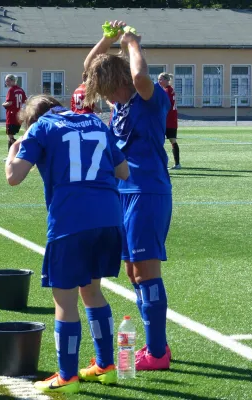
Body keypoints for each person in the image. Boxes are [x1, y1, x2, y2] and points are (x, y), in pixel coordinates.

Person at [6, 95, 129, 394]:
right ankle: (106, 365)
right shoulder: (94, 121)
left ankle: (67, 376)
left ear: (31, 120)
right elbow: (123, 171)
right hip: (110, 218)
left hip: (71, 221)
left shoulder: (41, 128)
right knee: (93, 291)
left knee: (65, 300)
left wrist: (13, 151)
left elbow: (14, 177)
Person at [83, 20, 172, 371]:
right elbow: (89, 67)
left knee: (147, 272)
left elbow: (138, 77)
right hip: (122, 192)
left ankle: (157, 353)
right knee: (133, 272)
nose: (103, 96)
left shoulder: (149, 98)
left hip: (147, 191)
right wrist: (106, 39)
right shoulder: (119, 107)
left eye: (107, 88)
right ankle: (155, 347)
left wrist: (132, 42)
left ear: (120, 81)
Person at [158, 73, 181, 169]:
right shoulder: (170, 90)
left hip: (167, 120)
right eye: (159, 79)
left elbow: (166, 106)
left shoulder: (167, 91)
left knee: (160, 141)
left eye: (161, 79)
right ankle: (177, 163)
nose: (159, 81)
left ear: (167, 80)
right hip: (171, 120)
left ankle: (166, 163)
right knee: (172, 141)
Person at [2, 74, 27, 150]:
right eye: (6, 81)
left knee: (10, 136)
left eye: (8, 81)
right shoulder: (20, 89)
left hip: (11, 116)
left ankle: (14, 152)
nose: (6, 82)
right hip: (19, 116)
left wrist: (3, 104)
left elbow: (9, 103)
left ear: (13, 81)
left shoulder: (11, 90)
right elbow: (25, 101)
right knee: (11, 135)